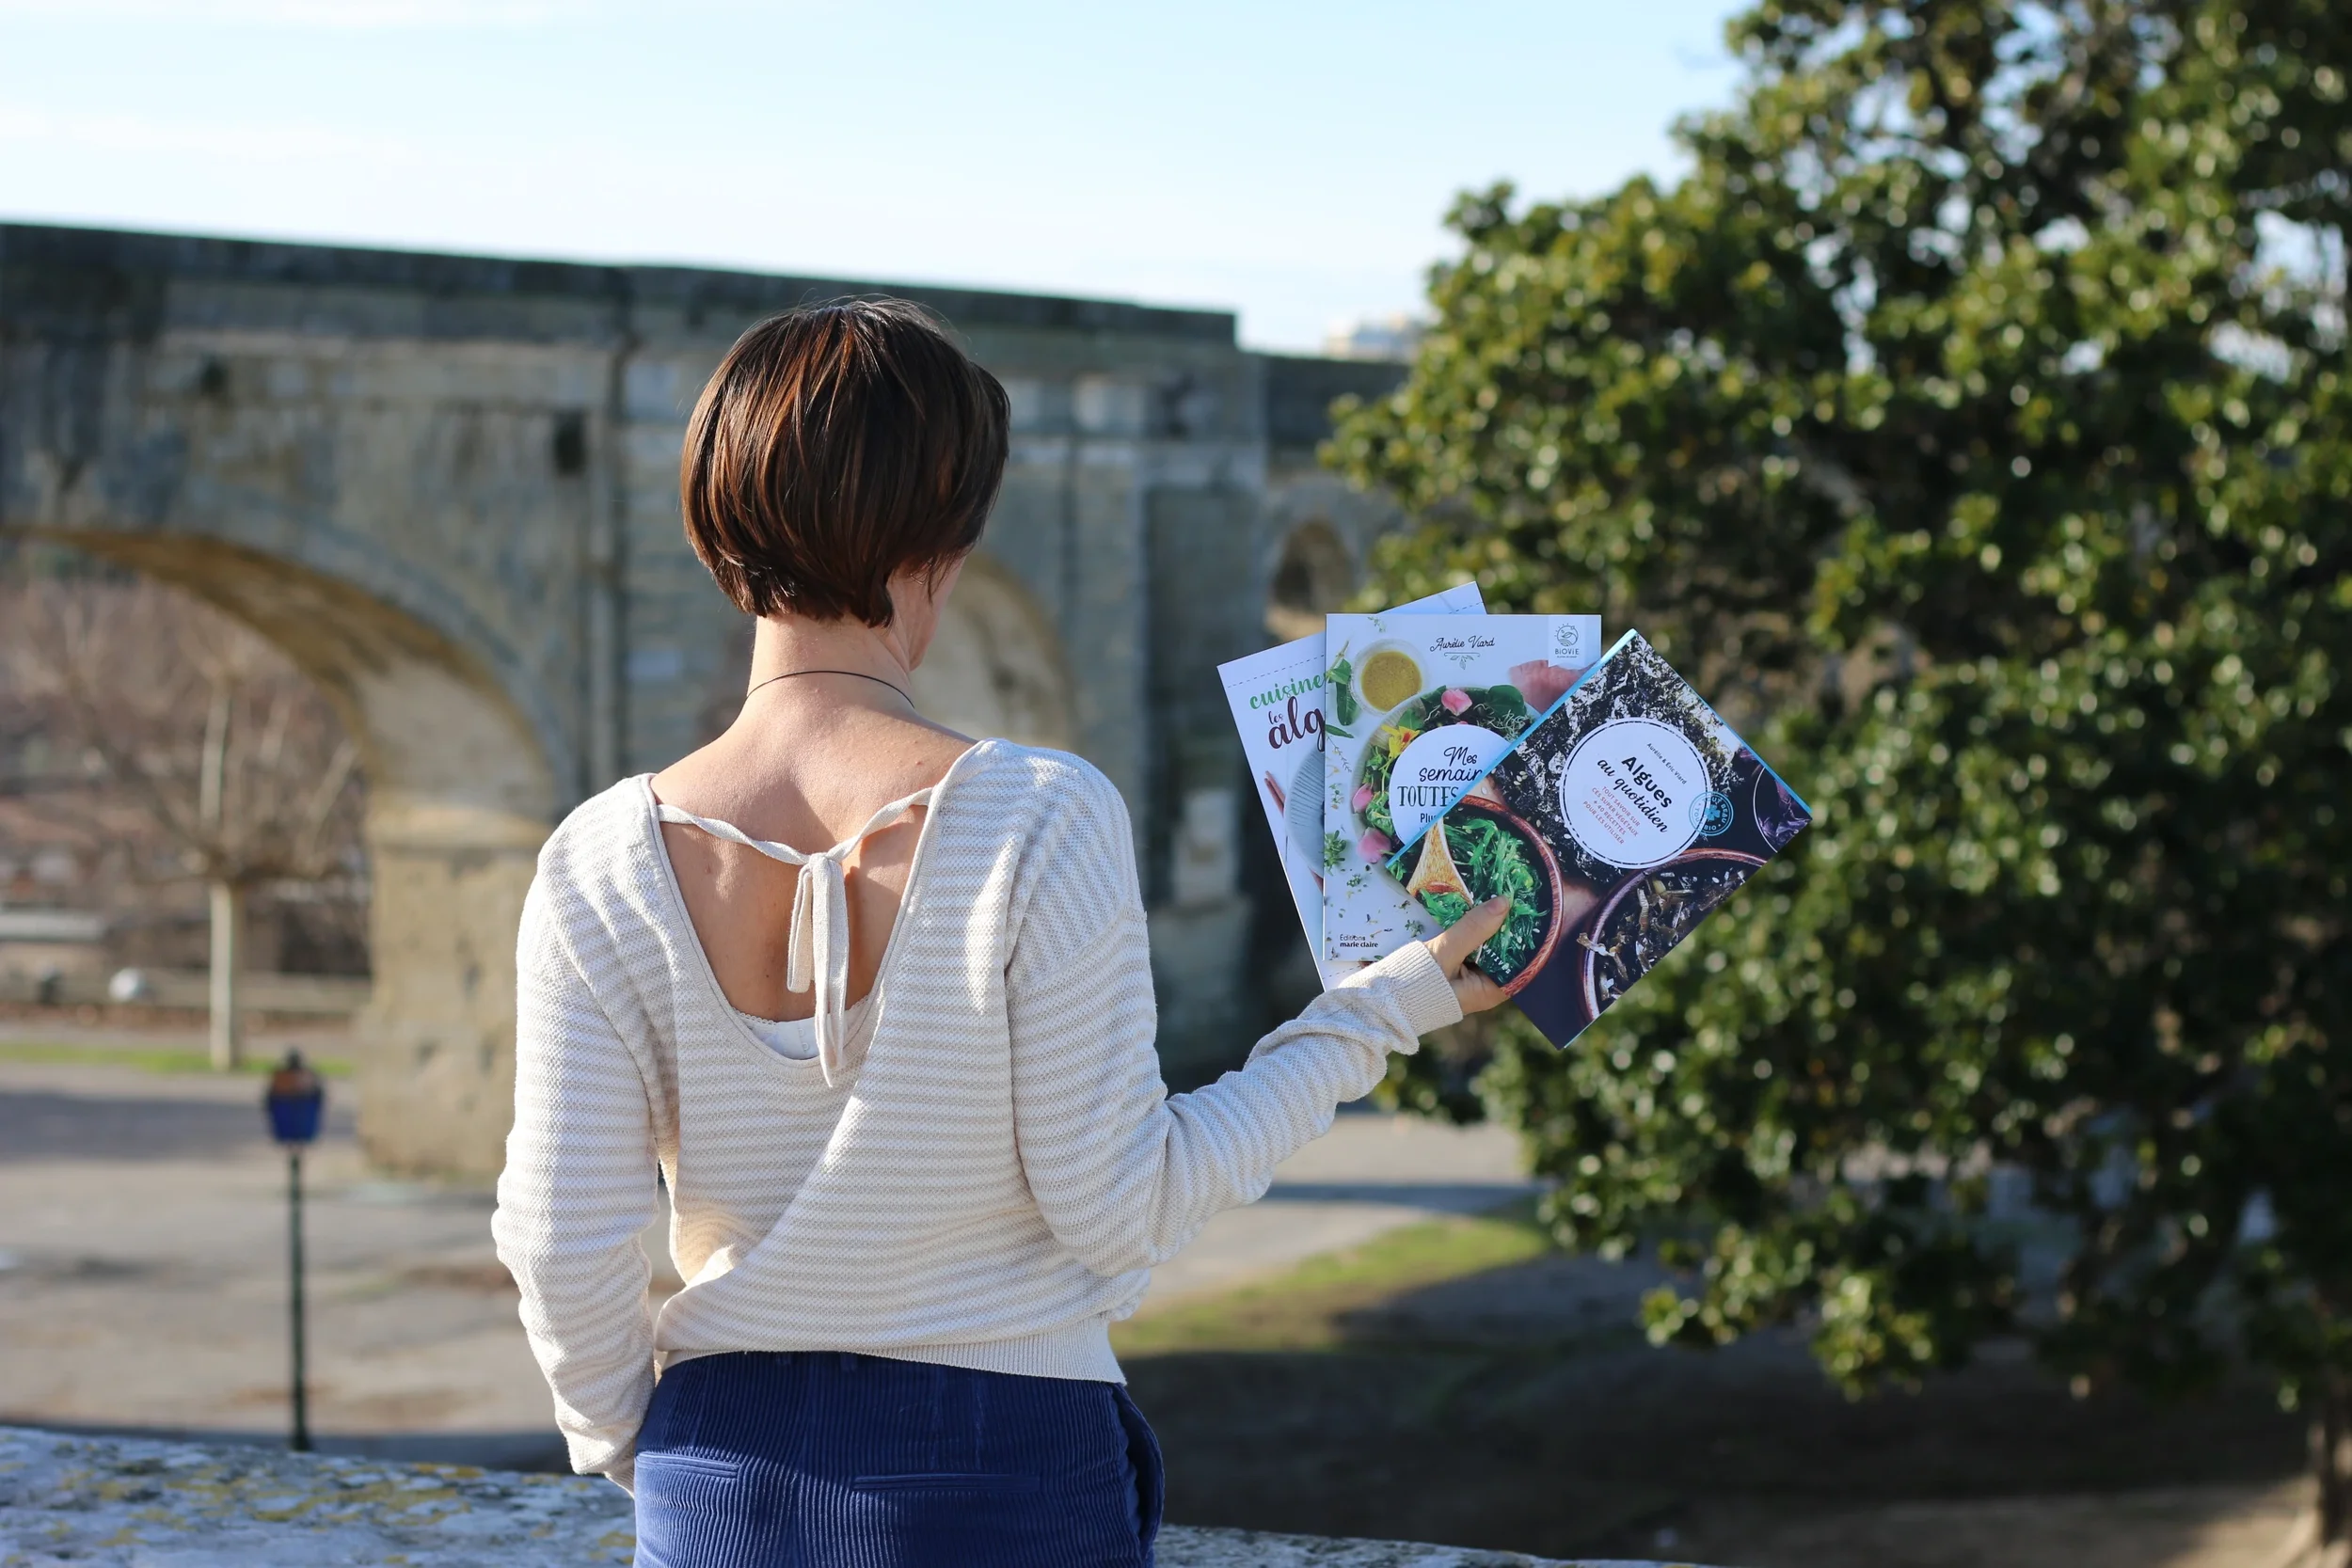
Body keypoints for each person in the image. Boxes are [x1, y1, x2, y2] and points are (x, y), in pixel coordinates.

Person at [491, 299, 1511, 1568]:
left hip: (720, 1471)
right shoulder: (1042, 813)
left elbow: (558, 1234)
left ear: (716, 527)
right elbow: (1120, 1208)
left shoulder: (595, 855)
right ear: (948, 533)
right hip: (1008, 1466)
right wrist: (1378, 1009)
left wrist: (640, 1448)